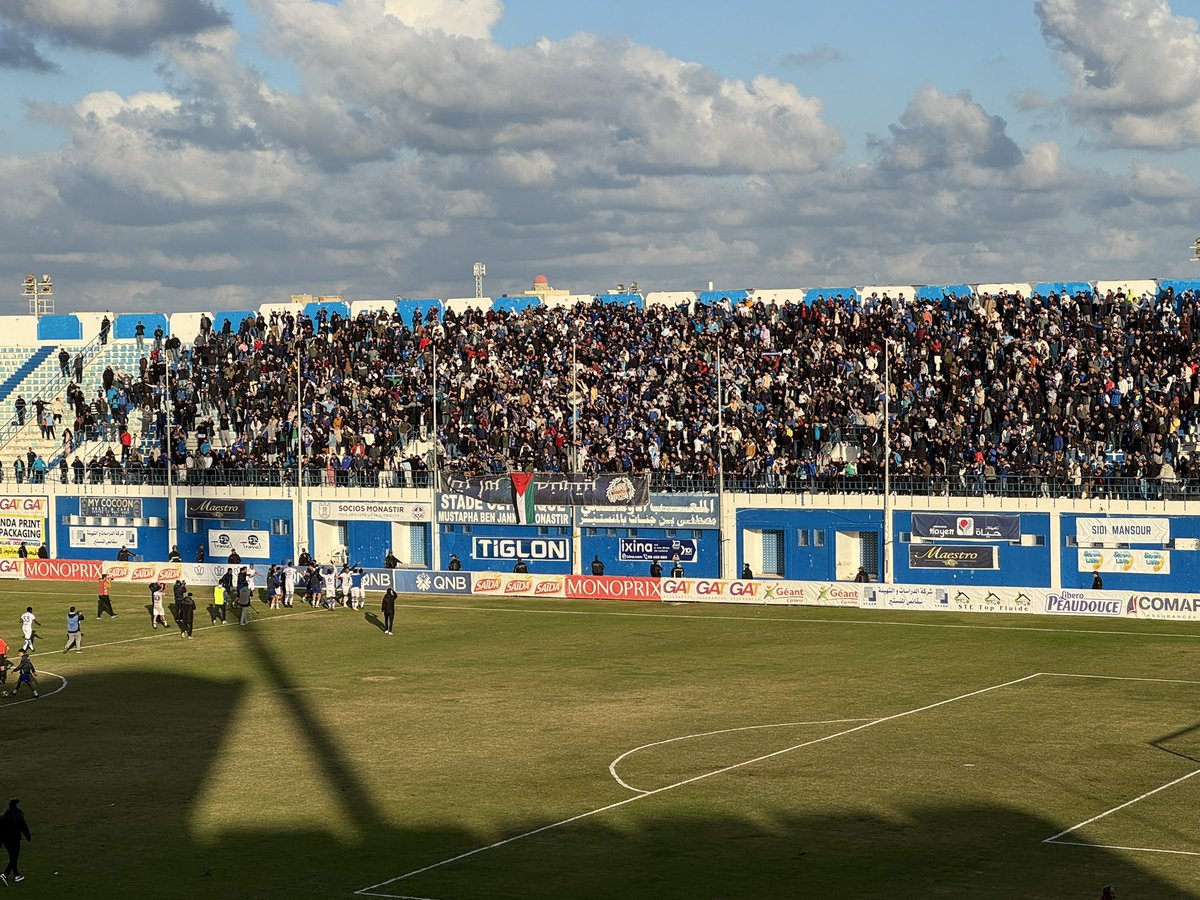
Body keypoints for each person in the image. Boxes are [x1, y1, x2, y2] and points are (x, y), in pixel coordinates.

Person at [0, 798, 31, 885]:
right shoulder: (18, 816)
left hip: (6, 840)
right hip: (15, 839)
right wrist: (28, 837)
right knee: (14, 858)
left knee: (12, 857)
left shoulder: (4, 817)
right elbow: (24, 827)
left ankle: (16, 875)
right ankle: (5, 874)